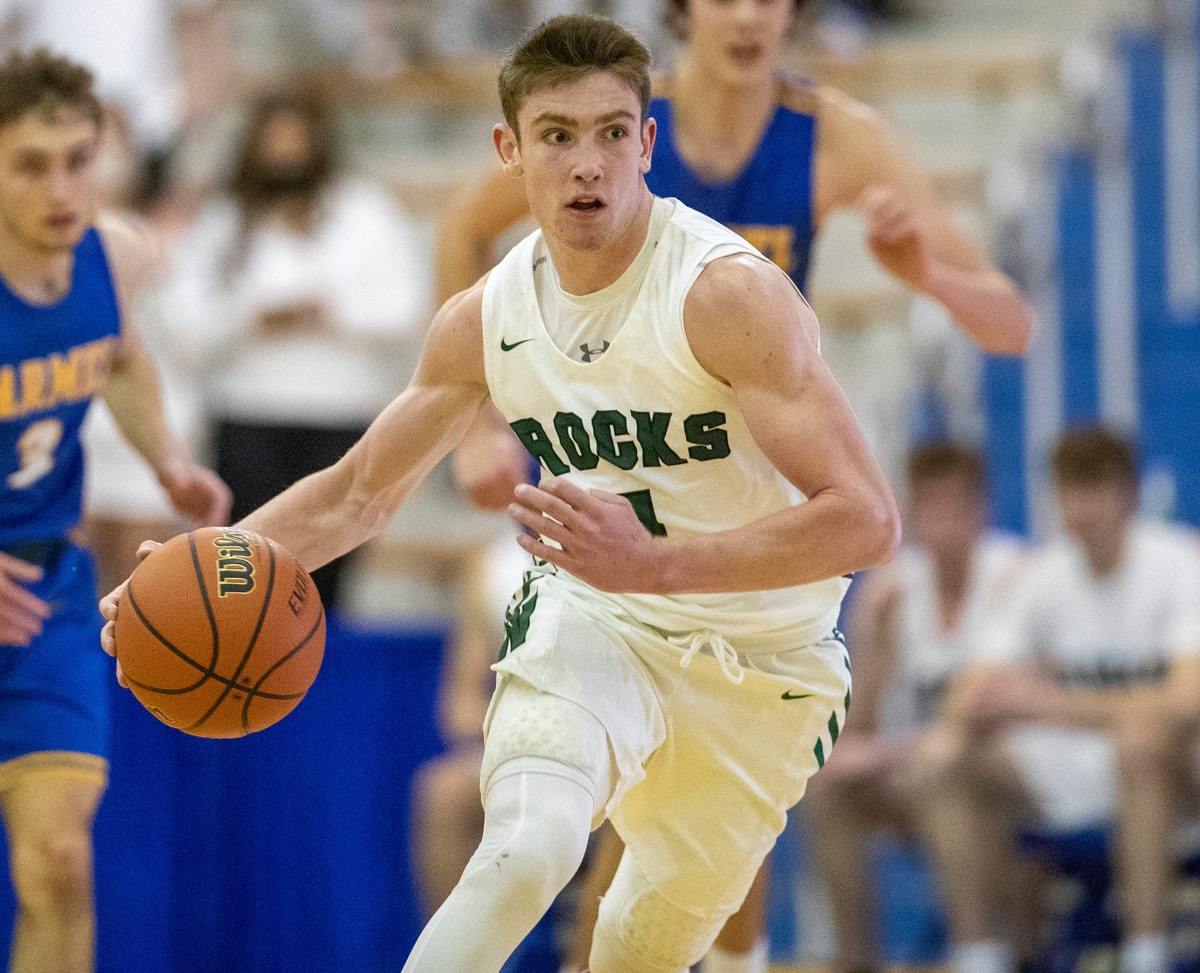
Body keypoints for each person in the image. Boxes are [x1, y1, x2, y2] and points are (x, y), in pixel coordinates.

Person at [102, 15, 900, 972]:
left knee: (635, 951)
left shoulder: (725, 296)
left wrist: (658, 563)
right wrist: (201, 568)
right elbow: (359, 491)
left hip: (763, 653)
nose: (587, 163)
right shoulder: (486, 316)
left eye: (612, 133)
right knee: (525, 850)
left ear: (648, 144)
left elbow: (867, 521)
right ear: (509, 152)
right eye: (557, 135)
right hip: (595, 613)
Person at [433, 1, 1033, 967]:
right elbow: (463, 231)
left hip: (754, 514)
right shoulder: (607, 125)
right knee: (605, 856)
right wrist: (475, 423)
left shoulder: (838, 137)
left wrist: (928, 273)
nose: (752, 14)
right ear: (681, 11)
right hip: (627, 507)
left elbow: (1009, 324)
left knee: (712, 875)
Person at [0, 48, 229, 973]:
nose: (62, 187)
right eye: (30, 164)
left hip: (44, 588)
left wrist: (168, 458)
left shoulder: (115, 251)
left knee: (60, 863)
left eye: (78, 159)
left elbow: (123, 358)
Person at [922, 425, 1200, 973]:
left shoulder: (1177, 564)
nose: (1083, 508)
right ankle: (980, 954)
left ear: (1130, 495)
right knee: (945, 762)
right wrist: (973, 712)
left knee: (1140, 743)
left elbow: (1187, 698)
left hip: (1169, 775)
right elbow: (972, 687)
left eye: (1096, 490)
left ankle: (1146, 954)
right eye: (1071, 492)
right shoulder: (1041, 575)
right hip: (1067, 769)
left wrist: (1051, 704)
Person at [156, 86, 432, 611]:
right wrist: (252, 318)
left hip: (341, 415)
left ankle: (319, 683)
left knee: (325, 584)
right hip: (247, 415)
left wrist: (331, 312)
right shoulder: (224, 219)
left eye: (297, 142)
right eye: (274, 144)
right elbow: (182, 325)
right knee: (242, 577)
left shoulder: (365, 211)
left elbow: (407, 306)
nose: (286, 157)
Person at [802, 441, 1028, 972]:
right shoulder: (895, 590)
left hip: (1007, 770)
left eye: (956, 506)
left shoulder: (1014, 577)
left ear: (982, 510)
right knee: (828, 786)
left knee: (943, 770)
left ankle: (979, 952)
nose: (943, 522)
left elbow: (978, 716)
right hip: (923, 765)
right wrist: (875, 658)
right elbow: (858, 727)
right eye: (930, 507)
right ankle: (856, 958)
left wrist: (885, 754)